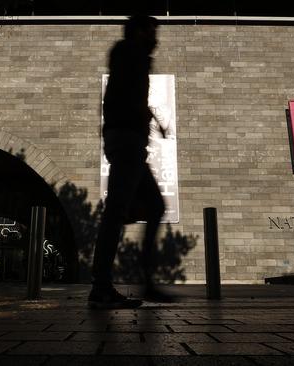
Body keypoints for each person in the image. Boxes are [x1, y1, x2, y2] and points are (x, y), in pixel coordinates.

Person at [89, 15, 173, 309]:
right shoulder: (130, 54)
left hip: (127, 140)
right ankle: (102, 286)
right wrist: (142, 118)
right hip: (127, 141)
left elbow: (128, 95)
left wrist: (151, 120)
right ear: (138, 31)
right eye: (152, 30)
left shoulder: (131, 56)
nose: (156, 37)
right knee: (118, 211)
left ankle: (135, 282)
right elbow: (124, 96)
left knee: (145, 207)